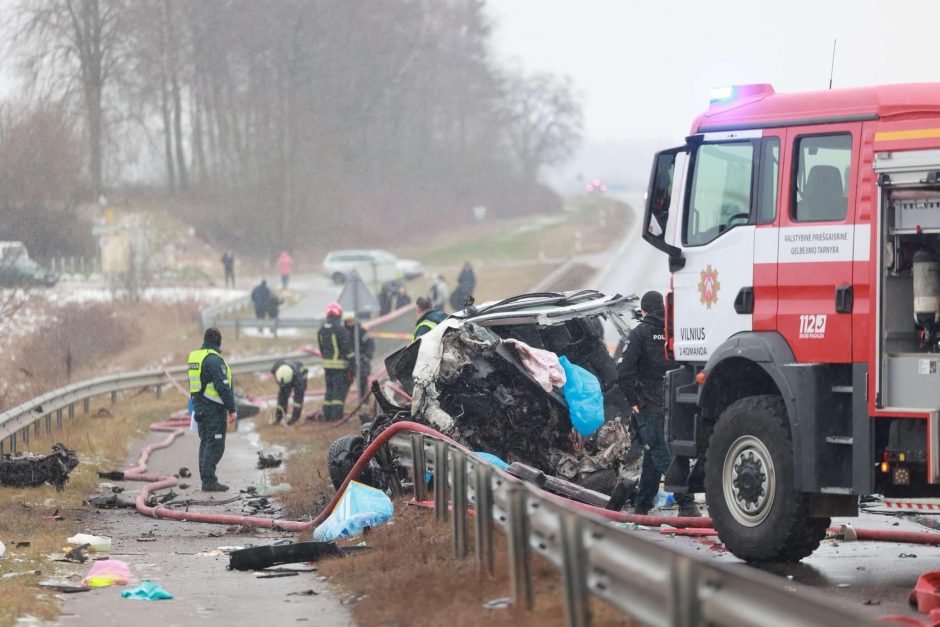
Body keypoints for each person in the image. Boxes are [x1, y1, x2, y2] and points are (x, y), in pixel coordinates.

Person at [617, 291, 701, 517]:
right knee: (653, 454)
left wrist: (633, 401)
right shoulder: (673, 330)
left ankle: (688, 504)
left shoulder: (639, 333)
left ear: (643, 310)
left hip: (649, 404)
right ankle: (642, 507)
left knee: (661, 453)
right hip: (676, 401)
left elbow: (624, 371)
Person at [188, 327, 237, 492]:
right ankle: (209, 481)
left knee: (206, 442)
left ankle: (206, 479)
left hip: (199, 406)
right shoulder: (214, 360)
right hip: (213, 408)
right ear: (218, 341)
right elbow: (222, 387)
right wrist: (232, 409)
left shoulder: (196, 357)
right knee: (215, 444)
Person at [318, 302, 354, 421]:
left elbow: (322, 349)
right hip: (341, 367)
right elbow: (347, 351)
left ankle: (327, 415)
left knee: (329, 392)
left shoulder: (321, 330)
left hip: (327, 367)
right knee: (338, 393)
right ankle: (336, 417)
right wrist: (353, 366)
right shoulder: (341, 330)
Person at [343, 312, 375, 399]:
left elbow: (370, 344)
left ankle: (364, 405)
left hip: (361, 363)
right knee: (343, 386)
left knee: (363, 386)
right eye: (347, 321)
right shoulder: (343, 333)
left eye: (351, 321)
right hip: (348, 364)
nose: (350, 324)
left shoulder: (361, 331)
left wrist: (366, 357)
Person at [271, 359, 308, 426]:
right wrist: (278, 418)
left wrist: (293, 419)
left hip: (301, 373)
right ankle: (279, 417)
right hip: (288, 376)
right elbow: (282, 395)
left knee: (298, 396)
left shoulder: (298, 380)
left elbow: (298, 401)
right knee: (282, 397)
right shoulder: (275, 368)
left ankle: (295, 418)